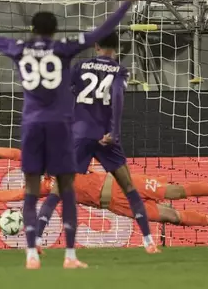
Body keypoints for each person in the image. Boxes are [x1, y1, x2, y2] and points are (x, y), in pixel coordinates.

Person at [0, 0, 146, 269]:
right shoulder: (63, 48)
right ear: (55, 30)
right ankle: (69, 256)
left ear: (32, 30)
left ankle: (31, 253)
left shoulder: (19, 48)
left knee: (31, 189)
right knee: (66, 188)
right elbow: (101, 32)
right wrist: (128, 2)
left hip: (31, 125)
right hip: (60, 126)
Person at [0, 139, 208, 247]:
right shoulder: (48, 186)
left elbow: (18, 153)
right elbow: (15, 195)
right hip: (117, 206)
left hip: (121, 184)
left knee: (176, 191)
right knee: (170, 217)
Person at [43, 32, 158, 253]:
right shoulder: (120, 71)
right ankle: (148, 241)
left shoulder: (80, 67)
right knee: (129, 188)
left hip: (80, 134)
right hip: (107, 137)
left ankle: (36, 239)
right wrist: (113, 132)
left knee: (58, 189)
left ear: (96, 46)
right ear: (117, 48)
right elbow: (117, 100)